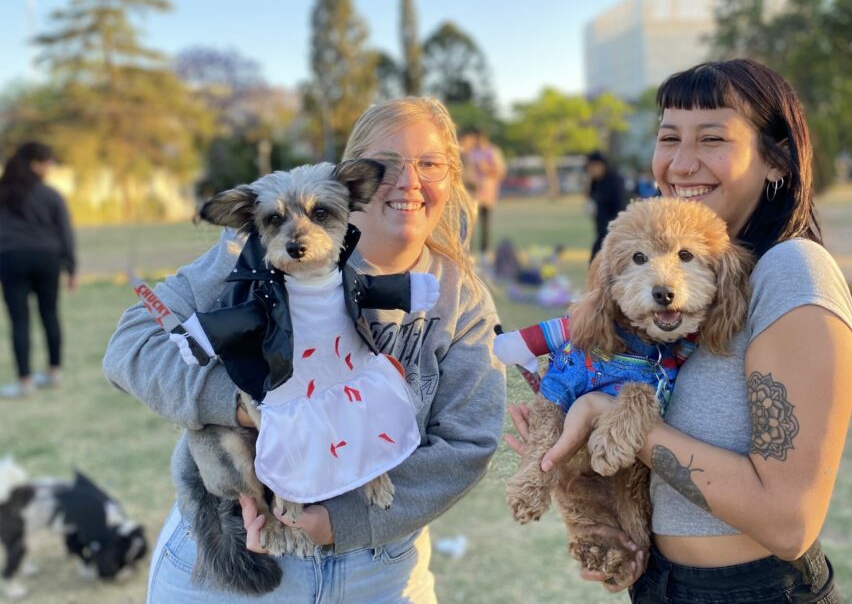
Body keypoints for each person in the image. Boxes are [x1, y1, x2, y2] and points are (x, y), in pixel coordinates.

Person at [103, 97, 506, 604]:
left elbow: (469, 443)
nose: (409, 182)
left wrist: (341, 521)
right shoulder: (248, 248)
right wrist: (243, 405)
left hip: (379, 571)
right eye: (390, 165)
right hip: (234, 551)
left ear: (451, 177)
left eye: (430, 164)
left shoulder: (459, 299)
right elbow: (130, 346)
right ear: (356, 175)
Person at [508, 60, 852, 603]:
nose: (682, 162)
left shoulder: (791, 271)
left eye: (712, 138)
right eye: (669, 137)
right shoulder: (676, 291)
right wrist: (605, 513)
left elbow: (790, 523)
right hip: (661, 585)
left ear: (777, 161)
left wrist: (617, 418)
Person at [0, 141, 77, 399]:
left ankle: (25, 383)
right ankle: (54, 372)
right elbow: (65, 232)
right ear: (35, 164)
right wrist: (71, 268)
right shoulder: (51, 195)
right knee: (50, 315)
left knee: (19, 322)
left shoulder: (4, 192)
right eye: (48, 162)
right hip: (47, 258)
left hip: (11, 259)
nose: (50, 167)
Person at [460, 126, 506, 256]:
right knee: (469, 223)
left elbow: (500, 172)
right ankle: (468, 251)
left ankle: (484, 251)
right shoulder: (470, 152)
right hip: (472, 193)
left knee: (485, 223)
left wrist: (486, 169)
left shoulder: (492, 151)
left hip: (487, 193)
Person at [584, 150, 628, 261]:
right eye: (589, 166)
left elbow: (622, 207)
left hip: (614, 233)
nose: (592, 169)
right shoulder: (595, 182)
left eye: (594, 166)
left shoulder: (615, 181)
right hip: (600, 232)